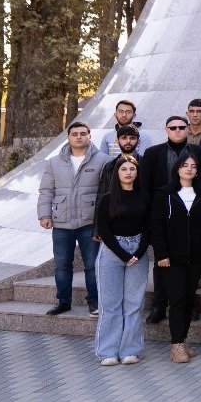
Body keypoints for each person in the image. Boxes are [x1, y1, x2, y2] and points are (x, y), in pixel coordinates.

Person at [140, 115, 201, 325]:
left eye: (182, 127)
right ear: (166, 130)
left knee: (190, 265)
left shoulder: (199, 153)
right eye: (173, 127)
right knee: (162, 263)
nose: (178, 130)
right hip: (164, 217)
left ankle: (189, 305)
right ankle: (159, 305)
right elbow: (146, 186)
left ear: (188, 128)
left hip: (191, 216)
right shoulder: (153, 153)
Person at [150, 151, 201, 363]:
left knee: (188, 300)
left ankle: (183, 339)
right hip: (171, 258)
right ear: (177, 168)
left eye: (193, 166)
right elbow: (156, 227)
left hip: (196, 257)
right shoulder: (164, 194)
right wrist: (162, 254)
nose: (189, 169)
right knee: (177, 300)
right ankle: (175, 344)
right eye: (185, 165)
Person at [39, 121, 106, 316]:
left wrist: (102, 223)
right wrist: (44, 215)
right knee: (62, 265)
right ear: (68, 137)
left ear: (89, 136)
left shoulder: (101, 160)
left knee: (92, 265)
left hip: (89, 223)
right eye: (74, 134)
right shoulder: (54, 162)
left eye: (83, 133)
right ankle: (63, 302)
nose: (79, 137)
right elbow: (46, 191)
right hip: (61, 223)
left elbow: (106, 192)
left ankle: (94, 302)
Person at [93, 154, 150, 365]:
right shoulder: (107, 199)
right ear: (117, 173)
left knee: (134, 303)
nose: (128, 173)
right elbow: (104, 230)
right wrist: (123, 255)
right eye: (124, 169)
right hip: (111, 252)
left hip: (138, 252)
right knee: (110, 304)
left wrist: (139, 252)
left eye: (132, 169)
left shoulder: (144, 197)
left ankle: (130, 350)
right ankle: (107, 351)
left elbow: (149, 227)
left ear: (137, 173)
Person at [98, 125, 141, 190]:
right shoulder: (109, 166)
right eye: (124, 138)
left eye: (132, 138)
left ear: (138, 141)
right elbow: (102, 193)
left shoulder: (146, 164)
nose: (128, 141)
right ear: (117, 141)